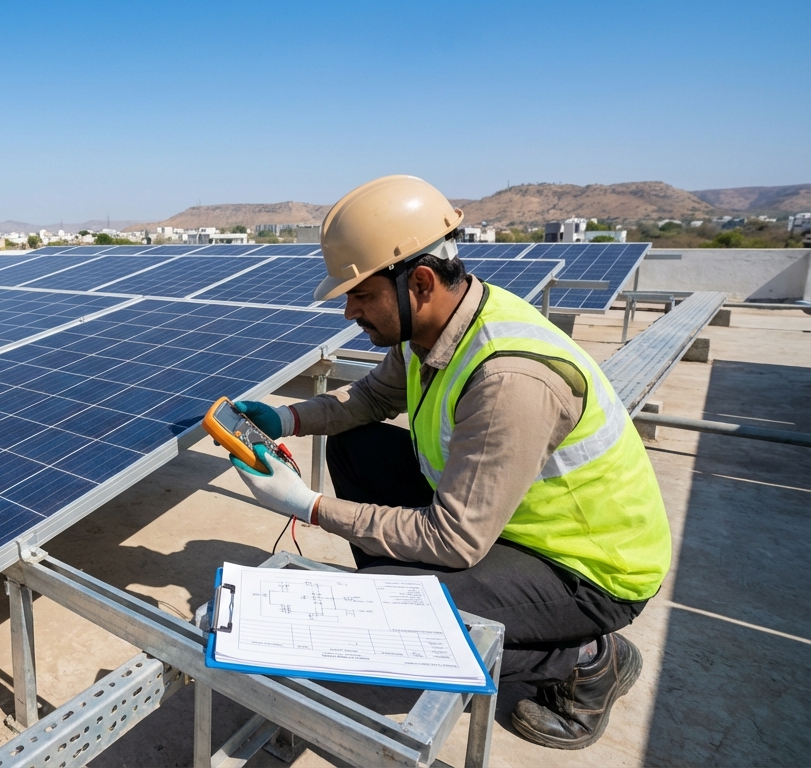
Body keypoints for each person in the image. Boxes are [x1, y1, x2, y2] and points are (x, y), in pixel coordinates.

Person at [228, 175, 671, 750]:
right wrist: (286, 420)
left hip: (586, 569)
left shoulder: (509, 378)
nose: (348, 312)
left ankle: (587, 657)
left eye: (360, 294)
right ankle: (418, 595)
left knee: (391, 616)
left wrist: (307, 506)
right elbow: (368, 400)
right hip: (504, 524)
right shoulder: (436, 327)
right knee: (355, 446)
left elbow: (456, 538)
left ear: (420, 281)